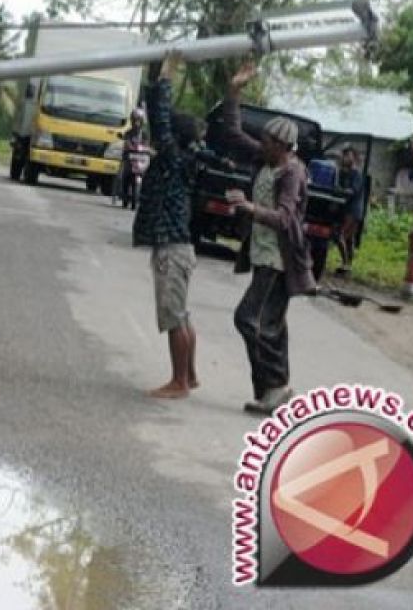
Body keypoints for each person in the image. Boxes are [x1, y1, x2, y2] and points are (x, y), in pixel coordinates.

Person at [223, 62, 316, 416]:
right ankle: (272, 390)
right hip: (263, 255)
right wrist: (235, 91)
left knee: (250, 319)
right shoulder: (267, 160)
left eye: (267, 141)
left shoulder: (292, 172)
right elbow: (232, 134)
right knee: (269, 324)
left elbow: (286, 217)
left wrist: (248, 207)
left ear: (283, 145)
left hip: (279, 260)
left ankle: (275, 386)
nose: (260, 143)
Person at [132, 52, 205, 399]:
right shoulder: (182, 158)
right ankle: (188, 376)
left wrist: (165, 79)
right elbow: (157, 120)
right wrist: (153, 77)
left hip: (172, 249)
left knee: (174, 316)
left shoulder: (174, 159)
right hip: (181, 247)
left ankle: (178, 383)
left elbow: (159, 122)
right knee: (182, 314)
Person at [335, 145, 366, 276]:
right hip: (347, 208)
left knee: (341, 235)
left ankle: (346, 264)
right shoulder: (343, 173)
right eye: (344, 155)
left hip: (353, 210)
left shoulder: (356, 174)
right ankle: (347, 264)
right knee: (348, 239)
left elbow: (353, 191)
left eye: (348, 155)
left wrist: (340, 191)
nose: (345, 158)